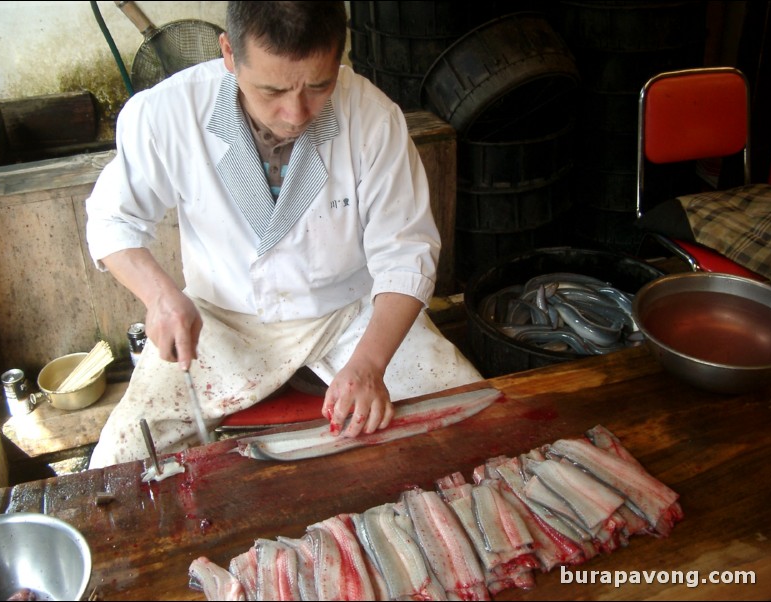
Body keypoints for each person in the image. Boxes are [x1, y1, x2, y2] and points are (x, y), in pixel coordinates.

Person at [86, 1, 483, 468]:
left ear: (340, 55)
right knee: (121, 457)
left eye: (319, 86)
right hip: (223, 317)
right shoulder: (168, 113)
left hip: (350, 313)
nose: (295, 114)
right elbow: (114, 220)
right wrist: (160, 296)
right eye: (272, 89)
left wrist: (370, 364)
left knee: (471, 421)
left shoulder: (374, 118)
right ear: (230, 54)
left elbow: (407, 253)